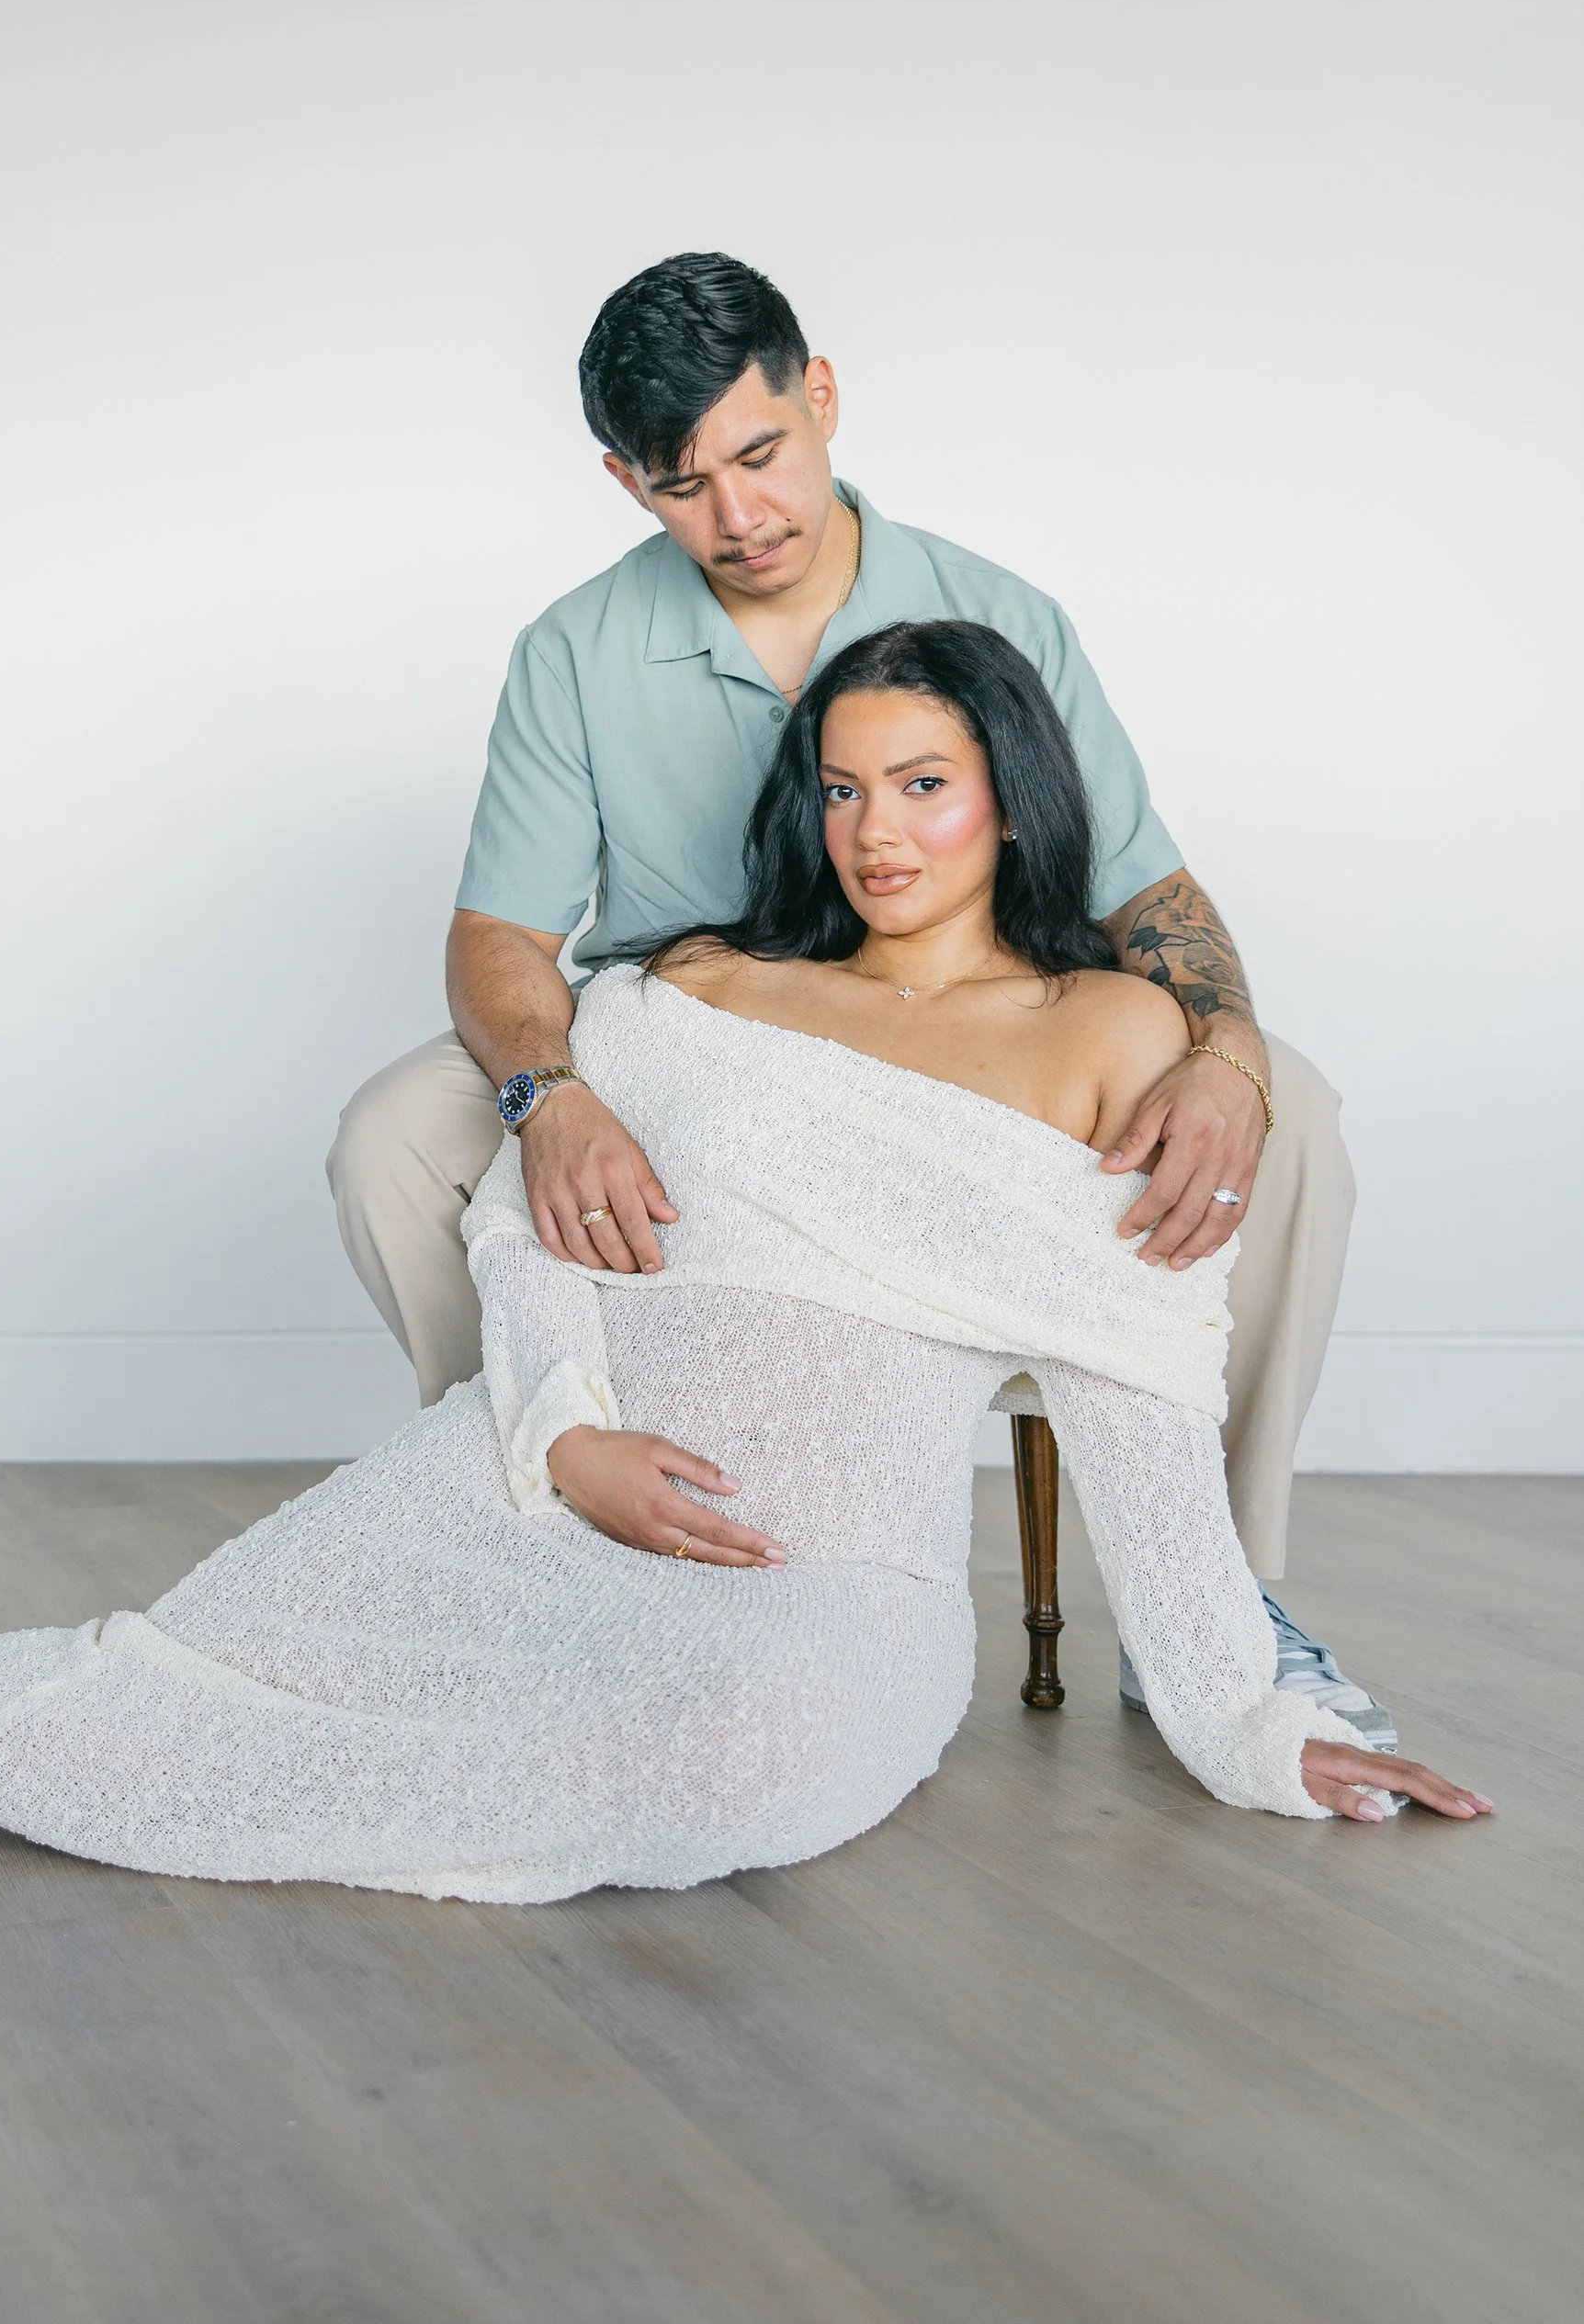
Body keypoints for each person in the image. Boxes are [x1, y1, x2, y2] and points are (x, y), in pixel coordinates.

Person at [0, 626, 1487, 1886]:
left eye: (923, 785)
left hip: (811, 1574)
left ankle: (307, 1788)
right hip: (541, 1480)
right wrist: (565, 1442)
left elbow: (1130, 1382)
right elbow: (528, 1222)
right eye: (843, 788)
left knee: (746, 1763)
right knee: (180, 1667)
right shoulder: (706, 984)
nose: (876, 832)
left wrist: (1240, 1713)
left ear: (1008, 803)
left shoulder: (1105, 1033)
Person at [331, 250, 1391, 1743]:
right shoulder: (572, 651)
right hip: (689, 1048)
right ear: (626, 481)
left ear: (820, 396)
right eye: (678, 484)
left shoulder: (999, 608)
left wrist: (1227, 1051)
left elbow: (1150, 896)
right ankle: (541, 1492)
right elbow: (499, 938)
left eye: (761, 453)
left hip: (971, 1037)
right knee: (390, 1131)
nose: (739, 514)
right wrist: (549, 1094)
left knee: (1299, 1119)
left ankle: (1222, 1591)